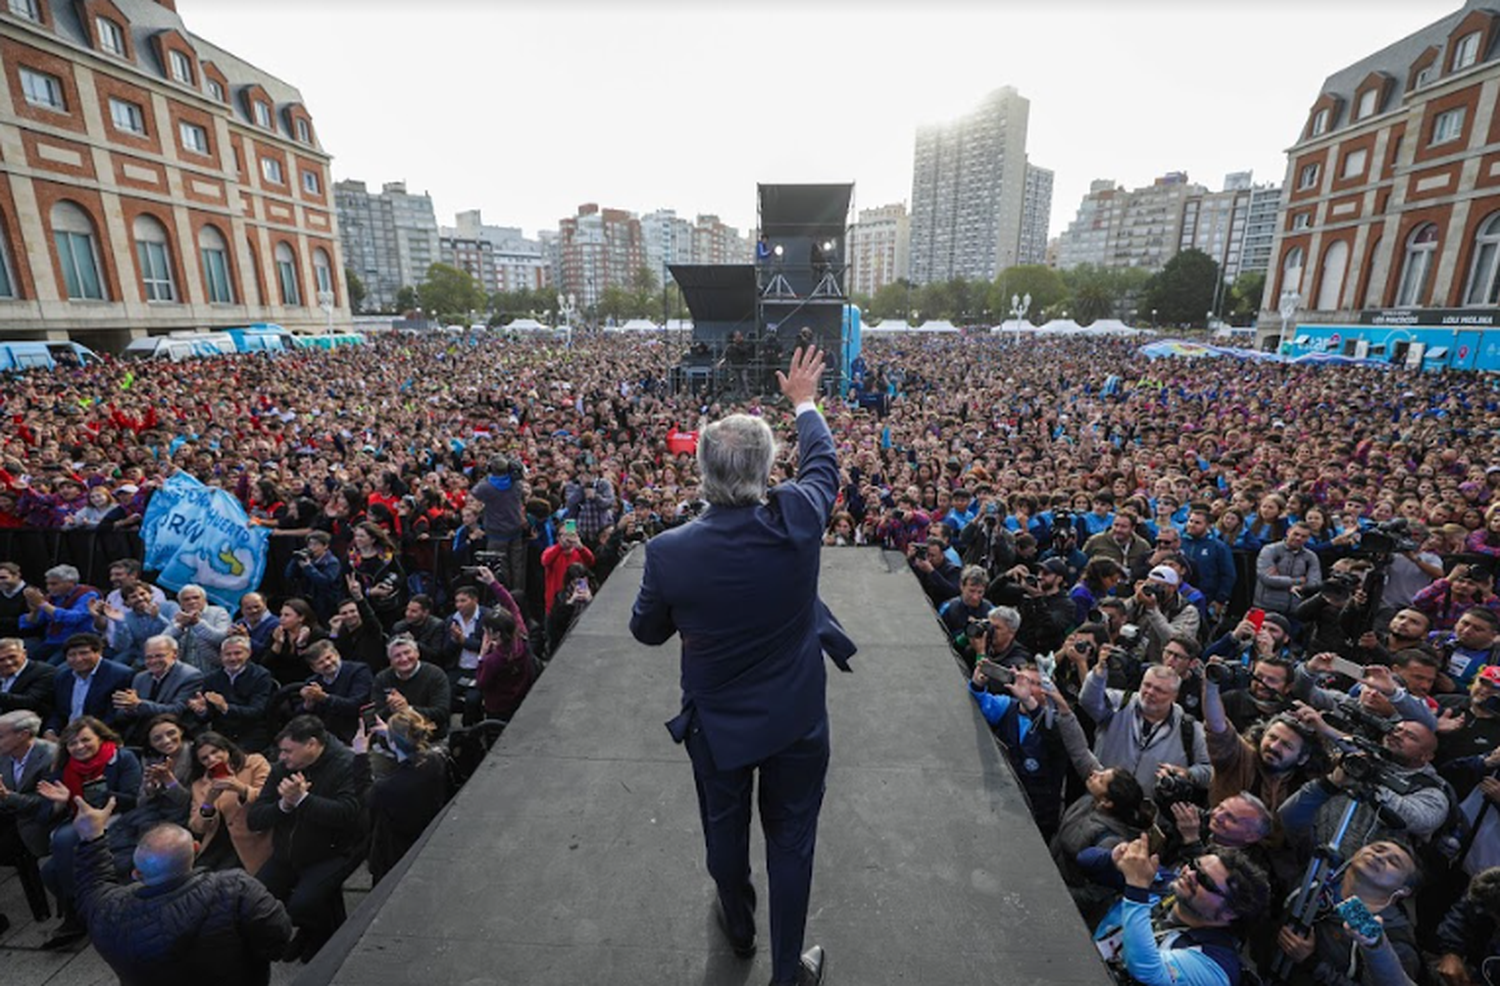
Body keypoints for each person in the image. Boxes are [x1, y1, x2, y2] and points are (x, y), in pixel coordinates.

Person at [630, 346, 842, 986]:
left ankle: (740, 923)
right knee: (792, 839)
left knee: (724, 831)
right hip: (797, 719)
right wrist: (804, 400)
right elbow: (826, 464)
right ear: (770, 471)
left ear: (700, 473)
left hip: (717, 726)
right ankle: (787, 973)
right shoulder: (799, 515)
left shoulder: (669, 552)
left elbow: (645, 631)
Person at [70, 792, 293, 985]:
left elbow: (92, 884)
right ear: (196, 849)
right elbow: (278, 938)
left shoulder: (107, 912)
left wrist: (92, 838)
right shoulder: (237, 889)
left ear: (136, 873)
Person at [246, 714, 363, 962]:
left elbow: (348, 814)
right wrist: (285, 805)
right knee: (258, 896)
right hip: (288, 851)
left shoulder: (345, 764)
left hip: (334, 851)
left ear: (311, 744)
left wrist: (303, 801)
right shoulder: (282, 769)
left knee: (303, 903)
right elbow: (255, 819)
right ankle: (309, 931)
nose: (282, 758)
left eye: (289, 751)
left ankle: (319, 936)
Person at [1092, 833, 1270, 986]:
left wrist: (1137, 887)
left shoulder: (1216, 965)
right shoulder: (1167, 888)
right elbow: (1084, 859)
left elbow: (1145, 969)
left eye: (1204, 880)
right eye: (1194, 865)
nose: (1190, 874)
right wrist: (1113, 858)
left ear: (1229, 912)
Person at [1274, 841, 1420, 986]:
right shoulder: (1319, 873)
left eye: (1393, 862)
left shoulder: (1393, 936)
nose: (1379, 857)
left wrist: (1312, 963)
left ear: (1403, 890)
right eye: (1378, 849)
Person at [351, 709, 448, 884]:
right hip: (425, 833)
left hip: (394, 852)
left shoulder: (386, 787)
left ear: (393, 744)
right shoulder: (436, 761)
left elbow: (366, 797)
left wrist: (360, 755)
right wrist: (391, 733)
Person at [186, 731, 273, 874]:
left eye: (215, 751)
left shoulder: (254, 762)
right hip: (216, 843)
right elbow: (197, 827)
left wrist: (240, 788)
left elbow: (269, 797)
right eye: (205, 758)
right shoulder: (199, 785)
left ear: (226, 748)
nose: (212, 759)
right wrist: (209, 801)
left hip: (250, 839)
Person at [186, 636, 277, 755]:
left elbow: (257, 711)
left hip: (252, 732)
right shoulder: (212, 678)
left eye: (238, 653)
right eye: (227, 654)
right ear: (221, 656)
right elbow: (208, 716)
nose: (233, 658)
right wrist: (202, 711)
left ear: (248, 653)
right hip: (222, 735)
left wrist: (225, 707)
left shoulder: (261, 675)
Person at [112, 635, 204, 746]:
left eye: (159, 656)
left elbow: (176, 711)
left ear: (175, 654)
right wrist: (128, 708)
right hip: (142, 736)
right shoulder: (140, 677)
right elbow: (123, 716)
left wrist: (138, 704)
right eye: (149, 657)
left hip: (174, 737)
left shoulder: (190, 676)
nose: (153, 661)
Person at [44, 632, 134, 737]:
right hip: (67, 736)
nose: (78, 659)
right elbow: (58, 711)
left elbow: (115, 716)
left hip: (102, 735)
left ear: (99, 652)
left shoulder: (120, 675)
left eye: (84, 653)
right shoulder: (63, 677)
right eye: (72, 655)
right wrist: (50, 731)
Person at [372, 634, 452, 738]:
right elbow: (375, 715)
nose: (404, 659)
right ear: (390, 661)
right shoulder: (382, 678)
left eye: (407, 653)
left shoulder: (436, 675)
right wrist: (392, 709)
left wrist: (408, 710)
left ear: (417, 653)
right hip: (393, 738)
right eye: (397, 655)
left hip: (429, 738)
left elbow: (442, 713)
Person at [470, 454, 528, 592]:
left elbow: (474, 493)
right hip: (515, 528)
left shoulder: (486, 487)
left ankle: (504, 594)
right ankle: (518, 592)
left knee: (499, 565)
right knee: (517, 565)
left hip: (496, 532)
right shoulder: (516, 484)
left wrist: (486, 475)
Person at [298, 639, 374, 743]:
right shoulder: (313, 682)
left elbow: (355, 705)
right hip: (323, 733)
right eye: (321, 662)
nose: (327, 663)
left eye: (329, 657)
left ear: (337, 654)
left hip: (354, 730)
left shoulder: (359, 671)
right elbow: (302, 717)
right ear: (314, 668)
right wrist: (308, 704)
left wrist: (325, 698)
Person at [164, 583, 232, 672]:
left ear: (204, 599)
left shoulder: (219, 612)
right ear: (181, 604)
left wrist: (197, 623)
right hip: (186, 674)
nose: (192, 601)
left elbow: (221, 638)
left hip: (214, 670)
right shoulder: (179, 617)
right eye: (186, 599)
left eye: (196, 597)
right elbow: (163, 642)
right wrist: (180, 627)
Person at [0, 634, 57, 717]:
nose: (8, 663)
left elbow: (30, 702)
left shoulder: (44, 672)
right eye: (1, 660)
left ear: (24, 653)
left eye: (12, 657)